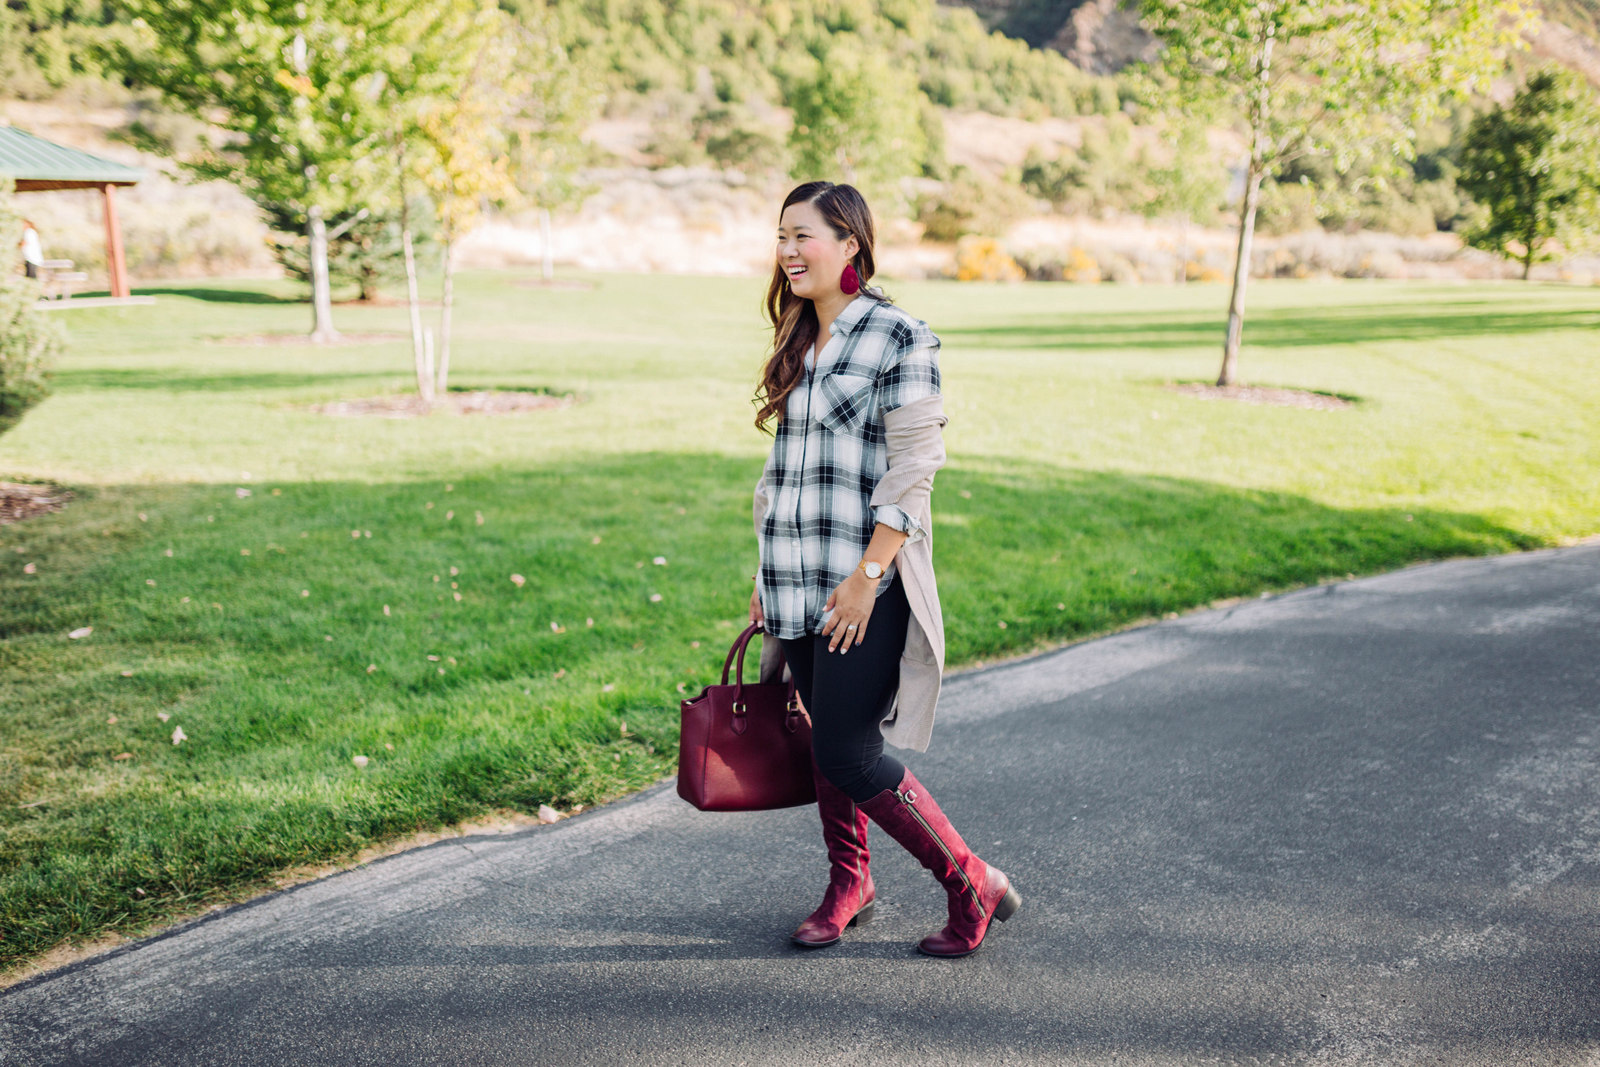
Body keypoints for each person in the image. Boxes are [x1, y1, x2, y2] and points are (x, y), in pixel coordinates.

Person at [749, 181, 1021, 958]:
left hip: (860, 584)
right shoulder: (800, 339)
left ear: (851, 244)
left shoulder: (900, 337)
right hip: (795, 578)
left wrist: (868, 576)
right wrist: (763, 581)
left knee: (848, 750)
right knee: (824, 738)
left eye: (804, 235)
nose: (789, 251)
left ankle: (971, 880)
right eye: (781, 236)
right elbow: (785, 475)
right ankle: (850, 881)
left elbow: (914, 468)